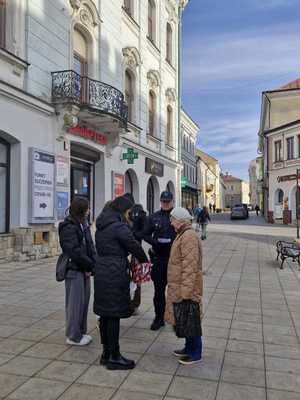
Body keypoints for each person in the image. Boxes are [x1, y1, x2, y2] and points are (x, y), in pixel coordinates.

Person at [94, 195, 148, 370]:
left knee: (105, 315)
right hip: (115, 272)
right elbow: (133, 245)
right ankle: (114, 356)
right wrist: (145, 260)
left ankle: (106, 353)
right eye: (128, 212)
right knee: (114, 314)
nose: (129, 215)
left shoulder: (101, 225)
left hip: (102, 270)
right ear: (123, 210)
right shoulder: (118, 227)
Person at [165, 207, 203, 365]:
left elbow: (189, 266)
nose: (171, 223)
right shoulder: (183, 234)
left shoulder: (188, 237)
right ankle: (188, 348)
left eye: (172, 220)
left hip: (187, 288)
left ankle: (195, 353)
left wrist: (186, 292)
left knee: (191, 319)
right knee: (185, 319)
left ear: (180, 221)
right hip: (180, 286)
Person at [58, 196, 96, 346]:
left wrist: (93, 264)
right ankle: (73, 336)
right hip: (74, 269)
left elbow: (90, 245)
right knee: (75, 304)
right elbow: (74, 251)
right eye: (87, 208)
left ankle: (81, 332)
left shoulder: (84, 223)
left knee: (83, 302)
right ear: (81, 209)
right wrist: (88, 265)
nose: (89, 210)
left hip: (84, 268)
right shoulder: (68, 226)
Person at [143, 191, 176, 331]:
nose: (166, 204)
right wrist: (155, 242)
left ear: (172, 201)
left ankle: (176, 319)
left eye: (168, 201)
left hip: (174, 260)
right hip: (159, 259)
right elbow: (144, 234)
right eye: (163, 201)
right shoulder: (154, 217)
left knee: (175, 292)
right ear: (160, 201)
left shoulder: (177, 216)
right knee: (158, 292)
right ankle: (159, 318)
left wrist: (173, 242)